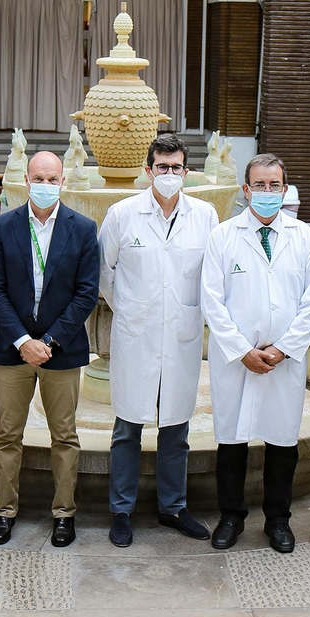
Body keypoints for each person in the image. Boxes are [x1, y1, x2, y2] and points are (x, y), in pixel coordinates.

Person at [97, 134, 220, 547]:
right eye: (162, 167)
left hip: (182, 334)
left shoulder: (204, 216)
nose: (169, 174)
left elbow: (211, 276)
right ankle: (121, 510)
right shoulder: (122, 214)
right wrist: (132, 309)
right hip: (136, 335)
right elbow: (105, 272)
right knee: (127, 427)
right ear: (147, 170)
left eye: (176, 167)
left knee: (176, 427)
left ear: (186, 171)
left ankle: (174, 507)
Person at [202, 153, 310, 554]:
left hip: (283, 362)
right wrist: (242, 351)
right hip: (237, 360)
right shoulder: (224, 236)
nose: (267, 191)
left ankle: (278, 520)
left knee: (282, 441)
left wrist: (283, 349)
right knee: (232, 441)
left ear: (285, 189)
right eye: (260, 185)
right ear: (246, 189)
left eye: (275, 185)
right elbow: (211, 301)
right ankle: (231, 517)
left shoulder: (303, 237)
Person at [0, 150, 100, 548]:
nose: (45, 185)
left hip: (61, 349)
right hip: (12, 348)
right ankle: (4, 511)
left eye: (52, 179)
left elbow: (86, 294)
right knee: (7, 434)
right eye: (39, 178)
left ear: (62, 182)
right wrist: (23, 341)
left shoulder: (82, 228)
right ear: (27, 181)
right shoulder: (4, 226)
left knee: (64, 436)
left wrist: (47, 342)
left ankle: (64, 513)